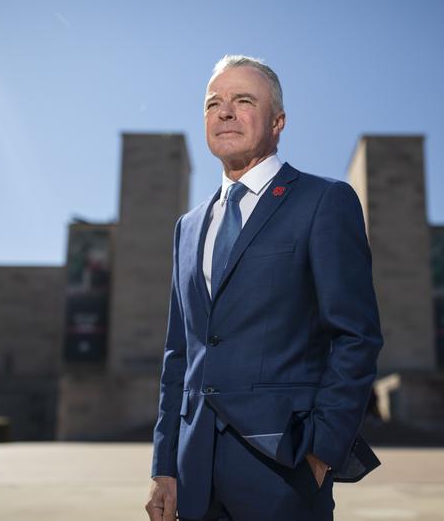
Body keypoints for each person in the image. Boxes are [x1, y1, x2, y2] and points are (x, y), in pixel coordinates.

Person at [145, 55, 384, 521]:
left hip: (284, 467)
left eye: (243, 100)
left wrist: (321, 453)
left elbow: (356, 335)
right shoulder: (188, 227)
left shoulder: (323, 202)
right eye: (214, 102)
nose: (225, 112)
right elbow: (181, 353)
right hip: (194, 475)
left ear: (278, 122)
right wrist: (165, 468)